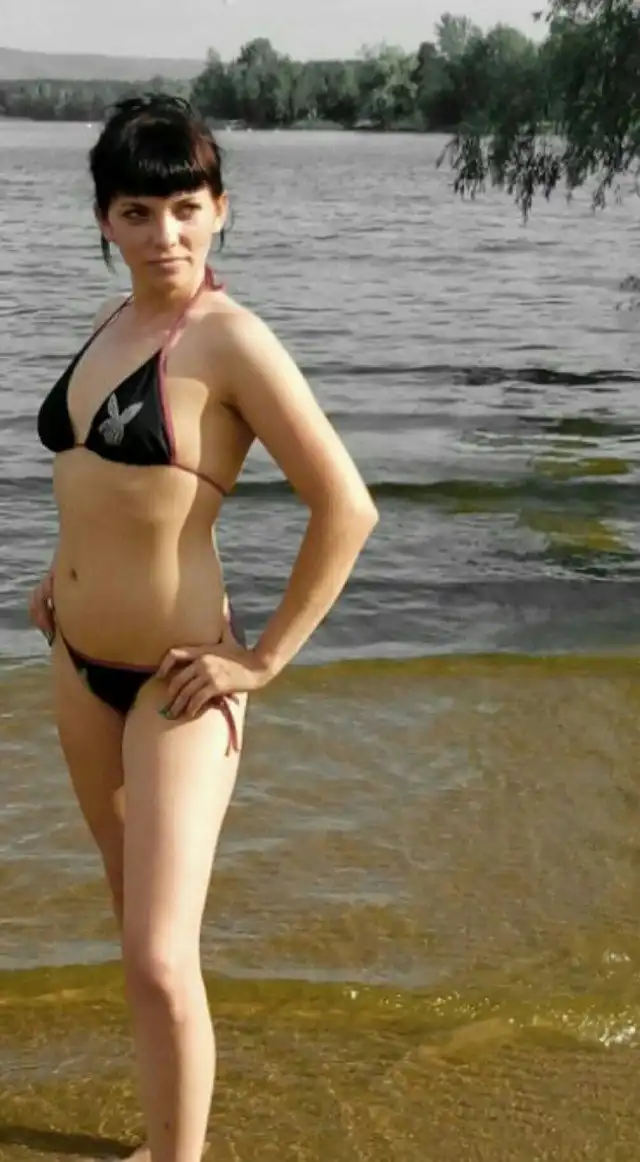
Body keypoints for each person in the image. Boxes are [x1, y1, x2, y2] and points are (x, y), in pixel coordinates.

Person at [28, 95, 378, 1162]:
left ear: (220, 209)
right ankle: (160, 1139)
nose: (164, 235)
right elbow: (100, 481)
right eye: (137, 212)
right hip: (78, 664)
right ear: (104, 220)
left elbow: (347, 507)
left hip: (176, 683)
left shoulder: (230, 340)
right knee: (132, 924)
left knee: (157, 956)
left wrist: (261, 657)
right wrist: (58, 573)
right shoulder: (110, 322)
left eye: (186, 208)